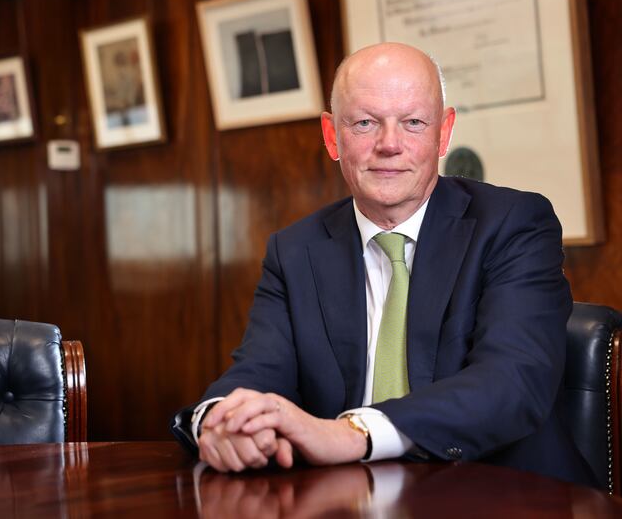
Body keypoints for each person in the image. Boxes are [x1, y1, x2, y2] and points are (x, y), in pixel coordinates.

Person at [171, 42, 595, 487]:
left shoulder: (513, 224)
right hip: (351, 498)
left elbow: (511, 382)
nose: (389, 145)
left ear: (443, 134)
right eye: (365, 123)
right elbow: (258, 370)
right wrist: (218, 421)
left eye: (413, 122)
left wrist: (353, 432)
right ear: (332, 136)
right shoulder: (295, 250)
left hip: (507, 495)